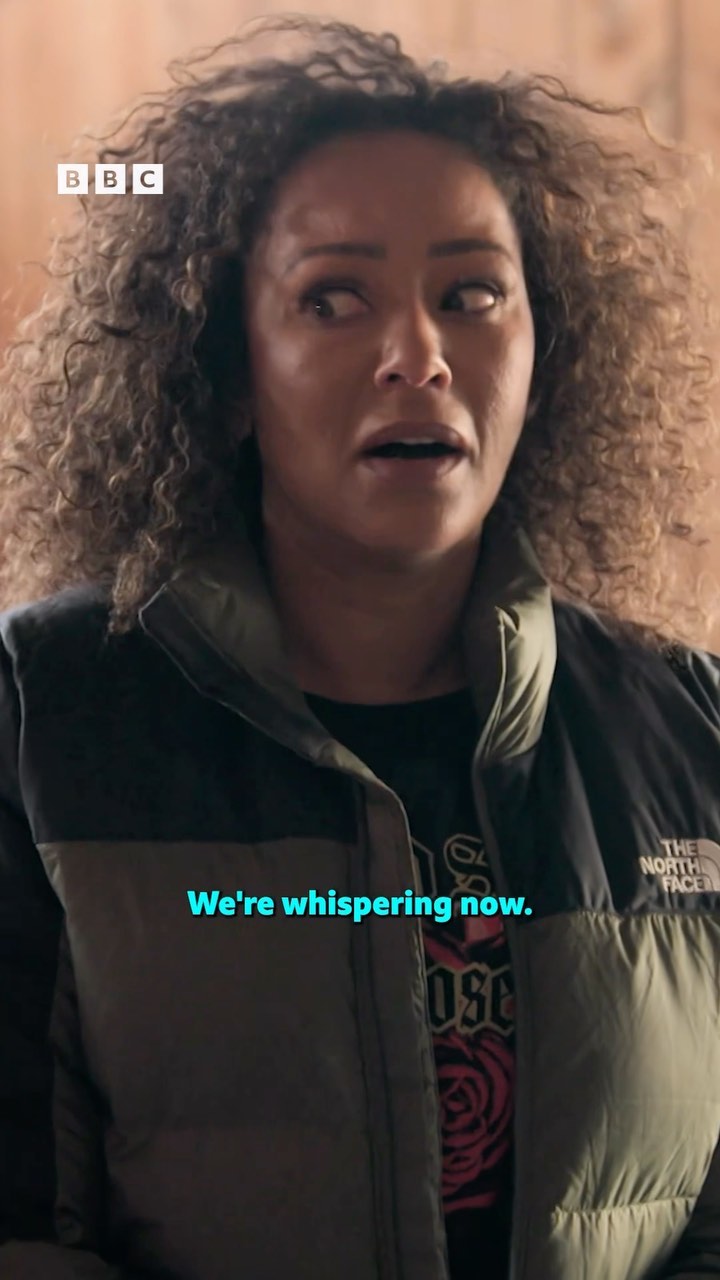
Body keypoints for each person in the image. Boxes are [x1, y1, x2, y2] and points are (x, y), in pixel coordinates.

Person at [0, 12, 718, 1280]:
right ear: (230, 370)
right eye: (332, 298)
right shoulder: (41, 714)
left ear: (545, 351)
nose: (418, 356)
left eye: (471, 294)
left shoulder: (688, 724)